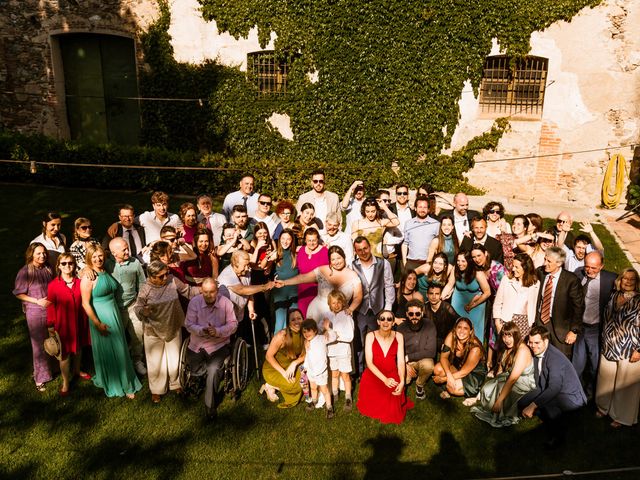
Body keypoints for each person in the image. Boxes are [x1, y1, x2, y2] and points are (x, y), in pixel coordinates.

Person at [80, 244, 141, 398]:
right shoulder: (88, 276)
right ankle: (120, 383)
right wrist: (97, 323)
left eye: (100, 255)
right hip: (101, 317)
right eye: (94, 257)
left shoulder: (105, 270)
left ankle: (125, 379)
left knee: (120, 347)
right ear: (89, 258)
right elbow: (85, 303)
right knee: (111, 350)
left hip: (114, 313)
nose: (98, 259)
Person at [134, 260, 199, 403]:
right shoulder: (145, 288)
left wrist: (205, 289)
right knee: (155, 362)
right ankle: (157, 390)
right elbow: (137, 307)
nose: (165, 278)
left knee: (175, 359)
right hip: (153, 329)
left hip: (173, 324)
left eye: (166, 274)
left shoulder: (172, 280)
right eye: (161, 276)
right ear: (151, 276)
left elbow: (188, 291)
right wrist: (143, 311)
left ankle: (175, 383)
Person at [518, 326, 587, 447]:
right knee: (523, 401)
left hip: (570, 396)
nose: (533, 345)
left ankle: (557, 438)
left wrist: (533, 405)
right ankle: (544, 414)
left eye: (537, 342)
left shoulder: (555, 358)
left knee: (548, 403)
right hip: (548, 388)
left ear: (546, 341)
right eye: (531, 342)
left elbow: (554, 388)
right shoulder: (537, 352)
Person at [184, 278, 238, 420]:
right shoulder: (194, 302)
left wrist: (218, 331)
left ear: (217, 291)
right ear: (202, 290)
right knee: (194, 367)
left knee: (213, 370)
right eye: (205, 292)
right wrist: (202, 330)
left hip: (219, 344)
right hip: (197, 344)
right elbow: (188, 324)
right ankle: (198, 380)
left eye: (212, 292)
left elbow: (233, 325)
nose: (208, 295)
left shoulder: (226, 303)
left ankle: (210, 406)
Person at [595, 268, 640, 428]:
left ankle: (622, 416)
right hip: (609, 345)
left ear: (636, 283)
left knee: (625, 385)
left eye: (632, 279)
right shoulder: (614, 296)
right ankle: (603, 407)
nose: (628, 282)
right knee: (605, 379)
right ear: (620, 280)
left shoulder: (639, 301)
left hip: (630, 349)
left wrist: (639, 350)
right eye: (625, 278)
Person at [278, 245, 362, 328]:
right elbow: (303, 277)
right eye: (333, 259)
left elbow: (358, 296)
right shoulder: (322, 270)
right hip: (318, 313)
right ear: (329, 260)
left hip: (342, 315)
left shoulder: (353, 275)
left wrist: (351, 309)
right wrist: (285, 282)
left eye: (339, 258)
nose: (336, 262)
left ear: (344, 257)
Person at [470, 322, 536, 427]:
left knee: (501, 388)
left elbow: (513, 379)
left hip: (523, 383)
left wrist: (499, 401)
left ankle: (500, 413)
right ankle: (479, 399)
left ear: (516, 335)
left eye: (510, 336)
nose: (507, 339)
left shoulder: (522, 350)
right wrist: (495, 381)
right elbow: (502, 370)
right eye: (504, 335)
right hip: (510, 377)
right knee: (488, 388)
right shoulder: (507, 348)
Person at [571, 251, 616, 400]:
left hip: (596, 329)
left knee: (595, 365)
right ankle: (575, 393)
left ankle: (591, 393)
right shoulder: (578, 274)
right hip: (580, 328)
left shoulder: (610, 279)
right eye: (587, 267)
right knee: (577, 364)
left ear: (602, 266)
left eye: (594, 268)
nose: (589, 271)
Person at [356, 310, 414, 424]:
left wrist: (402, 381)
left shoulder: (399, 336)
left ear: (393, 323)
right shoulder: (370, 336)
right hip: (374, 373)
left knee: (394, 399)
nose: (385, 322)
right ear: (378, 322)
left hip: (392, 371)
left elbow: (401, 361)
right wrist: (385, 380)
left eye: (389, 319)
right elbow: (369, 363)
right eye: (382, 319)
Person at [46, 253, 92, 395]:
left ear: (74, 265)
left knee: (78, 348)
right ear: (59, 266)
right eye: (64, 263)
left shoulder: (80, 282)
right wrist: (51, 326)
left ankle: (77, 370)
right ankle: (66, 382)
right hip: (63, 324)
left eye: (70, 263)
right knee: (64, 354)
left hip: (79, 321)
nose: (68, 266)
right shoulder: (53, 285)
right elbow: (50, 306)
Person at [13, 243, 55, 391]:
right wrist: (37, 301)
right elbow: (19, 293)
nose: (42, 256)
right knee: (38, 345)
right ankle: (40, 378)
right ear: (31, 254)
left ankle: (51, 369)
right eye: (38, 253)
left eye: (44, 253)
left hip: (51, 309)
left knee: (53, 341)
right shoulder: (25, 272)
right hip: (35, 312)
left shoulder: (48, 268)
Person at [352, 236, 395, 373]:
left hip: (378, 310)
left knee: (377, 343)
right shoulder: (352, 266)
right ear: (355, 251)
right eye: (359, 250)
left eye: (365, 248)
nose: (363, 252)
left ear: (369, 247)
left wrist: (387, 309)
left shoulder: (383, 263)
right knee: (359, 343)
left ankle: (376, 371)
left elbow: (389, 286)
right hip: (360, 311)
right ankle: (359, 372)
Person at [105, 237, 147, 376]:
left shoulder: (135, 263)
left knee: (138, 336)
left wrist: (140, 302)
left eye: (127, 248)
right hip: (115, 309)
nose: (128, 251)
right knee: (117, 338)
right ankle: (118, 364)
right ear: (114, 253)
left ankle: (137, 360)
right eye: (124, 250)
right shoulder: (107, 265)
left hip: (133, 305)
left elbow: (142, 283)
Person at [535, 246, 584, 358]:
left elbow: (578, 307)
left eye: (549, 261)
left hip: (562, 328)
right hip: (541, 322)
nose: (544, 263)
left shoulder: (571, 280)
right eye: (545, 259)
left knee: (560, 359)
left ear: (559, 263)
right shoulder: (540, 272)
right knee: (539, 355)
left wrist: (574, 330)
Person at [261, 308, 306, 408]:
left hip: (290, 366)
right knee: (295, 386)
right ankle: (270, 385)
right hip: (274, 370)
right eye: (293, 320)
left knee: (305, 379)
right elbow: (268, 356)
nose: (297, 322)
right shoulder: (282, 335)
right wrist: (284, 373)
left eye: (299, 318)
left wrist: (294, 364)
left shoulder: (304, 333)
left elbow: (307, 353)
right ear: (288, 322)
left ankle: (278, 386)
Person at [445, 251, 491, 342]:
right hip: (458, 301)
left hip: (476, 304)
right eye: (458, 261)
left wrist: (472, 305)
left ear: (469, 261)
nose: (459, 263)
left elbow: (487, 292)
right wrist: (440, 298)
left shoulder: (478, 273)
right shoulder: (455, 269)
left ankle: (475, 352)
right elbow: (449, 285)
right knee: (457, 329)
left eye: (463, 261)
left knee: (474, 332)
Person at [493, 253, 540, 338]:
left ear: (525, 268)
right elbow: (497, 303)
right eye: (513, 266)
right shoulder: (507, 280)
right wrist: (497, 323)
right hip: (507, 320)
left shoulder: (535, 284)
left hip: (524, 323)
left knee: (521, 349)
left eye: (517, 267)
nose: (513, 269)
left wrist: (531, 323)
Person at [397, 299, 437, 400]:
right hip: (407, 362)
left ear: (422, 313)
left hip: (422, 359)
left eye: (417, 313)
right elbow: (397, 351)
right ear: (407, 314)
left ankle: (420, 385)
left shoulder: (430, 325)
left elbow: (431, 352)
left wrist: (408, 357)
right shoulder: (401, 328)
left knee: (428, 366)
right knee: (405, 380)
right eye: (411, 314)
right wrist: (405, 365)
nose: (414, 316)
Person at [322, 290, 355, 411]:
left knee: (345, 375)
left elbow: (350, 336)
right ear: (329, 304)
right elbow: (324, 333)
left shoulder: (347, 316)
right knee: (334, 374)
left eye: (338, 302)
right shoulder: (327, 316)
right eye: (333, 303)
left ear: (343, 302)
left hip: (343, 350)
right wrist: (326, 331)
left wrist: (334, 334)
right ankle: (335, 394)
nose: (336, 305)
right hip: (331, 351)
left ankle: (348, 397)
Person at [302, 319, 335, 418]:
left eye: (309, 330)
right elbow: (308, 356)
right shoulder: (307, 342)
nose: (307, 334)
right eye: (304, 332)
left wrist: (328, 328)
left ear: (315, 330)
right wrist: (305, 366)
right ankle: (314, 401)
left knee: (324, 390)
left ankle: (329, 407)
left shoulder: (321, 338)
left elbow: (333, 337)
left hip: (321, 371)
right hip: (311, 371)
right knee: (313, 387)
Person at [295, 228, 329, 317]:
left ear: (318, 239)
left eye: (314, 240)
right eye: (309, 240)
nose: (311, 243)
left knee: (317, 320)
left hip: (319, 292)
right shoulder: (301, 251)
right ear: (305, 240)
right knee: (304, 318)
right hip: (303, 291)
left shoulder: (325, 251)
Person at [402, 195, 440, 272]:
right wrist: (404, 262)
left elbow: (439, 245)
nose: (422, 210)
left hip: (428, 264)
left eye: (425, 207)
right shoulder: (408, 223)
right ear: (415, 208)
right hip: (411, 263)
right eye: (420, 207)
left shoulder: (436, 224)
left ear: (429, 209)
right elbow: (405, 244)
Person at [272, 229, 299, 334]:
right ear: (279, 240)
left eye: (288, 239)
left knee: (295, 320)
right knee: (280, 321)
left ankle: (295, 344)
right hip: (280, 291)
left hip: (294, 291)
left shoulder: (296, 254)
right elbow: (266, 269)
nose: (285, 241)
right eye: (283, 238)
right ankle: (278, 346)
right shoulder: (276, 254)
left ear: (292, 240)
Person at [424, 284, 459, 351]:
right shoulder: (424, 308)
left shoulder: (446, 307)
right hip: (431, 339)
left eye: (437, 294)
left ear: (440, 295)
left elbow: (459, 320)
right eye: (431, 293)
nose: (434, 297)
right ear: (427, 295)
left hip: (445, 339)